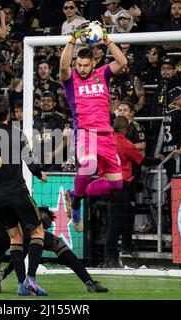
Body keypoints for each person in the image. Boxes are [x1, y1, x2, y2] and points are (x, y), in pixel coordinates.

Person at [0, 94, 49, 296]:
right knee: (37, 232)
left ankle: (22, 284)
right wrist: (39, 173)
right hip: (17, 193)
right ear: (8, 113)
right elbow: (30, 162)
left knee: (15, 237)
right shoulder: (17, 134)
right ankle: (30, 278)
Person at [60, 21, 127, 232]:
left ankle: (75, 195)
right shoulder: (71, 81)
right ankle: (77, 203)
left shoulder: (103, 74)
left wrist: (106, 38)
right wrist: (73, 39)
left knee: (117, 184)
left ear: (93, 64)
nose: (81, 68)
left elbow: (122, 61)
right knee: (88, 167)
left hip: (106, 135)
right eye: (78, 64)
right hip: (85, 133)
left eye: (85, 65)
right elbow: (63, 66)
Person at [0, 207, 108, 293]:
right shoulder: (31, 223)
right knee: (57, 243)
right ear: (38, 216)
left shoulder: (14, 207)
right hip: (13, 232)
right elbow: (23, 252)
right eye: (44, 224)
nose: (44, 228)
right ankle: (90, 283)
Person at [106, 116, 161, 264]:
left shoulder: (106, 141)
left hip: (108, 183)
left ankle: (111, 256)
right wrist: (159, 159)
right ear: (125, 128)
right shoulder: (125, 143)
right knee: (122, 221)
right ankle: (115, 255)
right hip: (123, 185)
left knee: (114, 221)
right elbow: (142, 160)